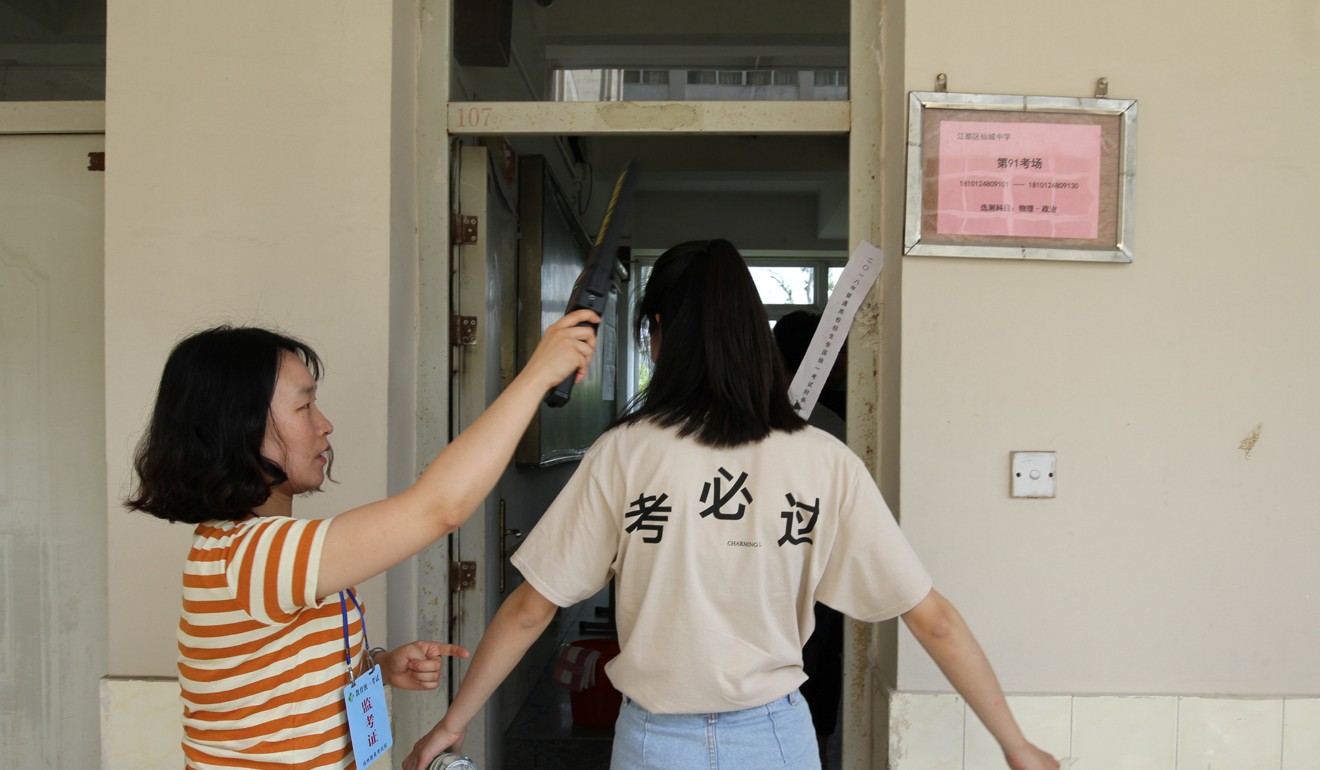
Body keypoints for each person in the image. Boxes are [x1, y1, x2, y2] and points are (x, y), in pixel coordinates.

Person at [403, 239, 1058, 770]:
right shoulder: (824, 461)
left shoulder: (626, 454)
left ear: (657, 333)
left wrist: (452, 725)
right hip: (775, 739)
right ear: (753, 334)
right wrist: (1016, 745)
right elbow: (933, 618)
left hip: (653, 743)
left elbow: (530, 609)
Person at [124, 310, 598, 769]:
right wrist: (536, 376)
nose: (324, 423)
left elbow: (284, 672)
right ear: (238, 427)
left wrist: (380, 665)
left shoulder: (259, 550)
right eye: (304, 405)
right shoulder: (252, 554)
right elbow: (439, 507)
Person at [773, 309, 846, 767]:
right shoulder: (832, 425)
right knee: (815, 670)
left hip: (783, 572)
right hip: (818, 574)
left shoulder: (826, 418)